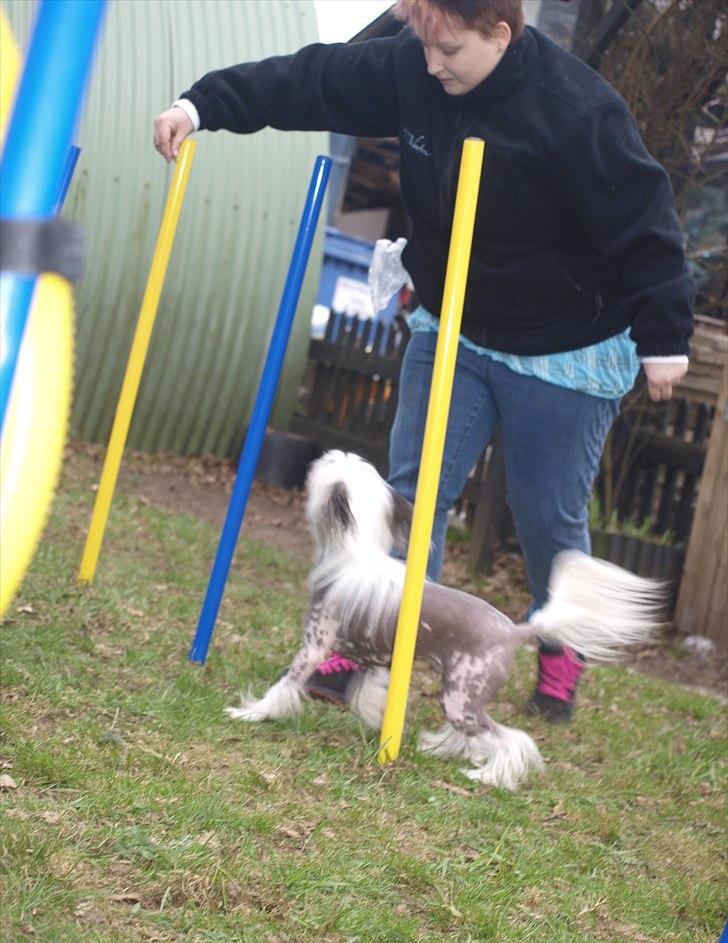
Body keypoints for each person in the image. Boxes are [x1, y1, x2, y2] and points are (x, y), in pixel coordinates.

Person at [154, 0, 693, 722]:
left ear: (500, 35)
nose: (432, 65)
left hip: (565, 345)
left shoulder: (577, 110)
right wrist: (201, 105)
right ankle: (367, 643)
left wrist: (664, 334)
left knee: (546, 516)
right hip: (458, 328)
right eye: (424, 47)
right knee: (411, 495)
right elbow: (310, 79)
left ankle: (562, 647)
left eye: (450, 52)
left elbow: (644, 217)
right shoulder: (416, 68)